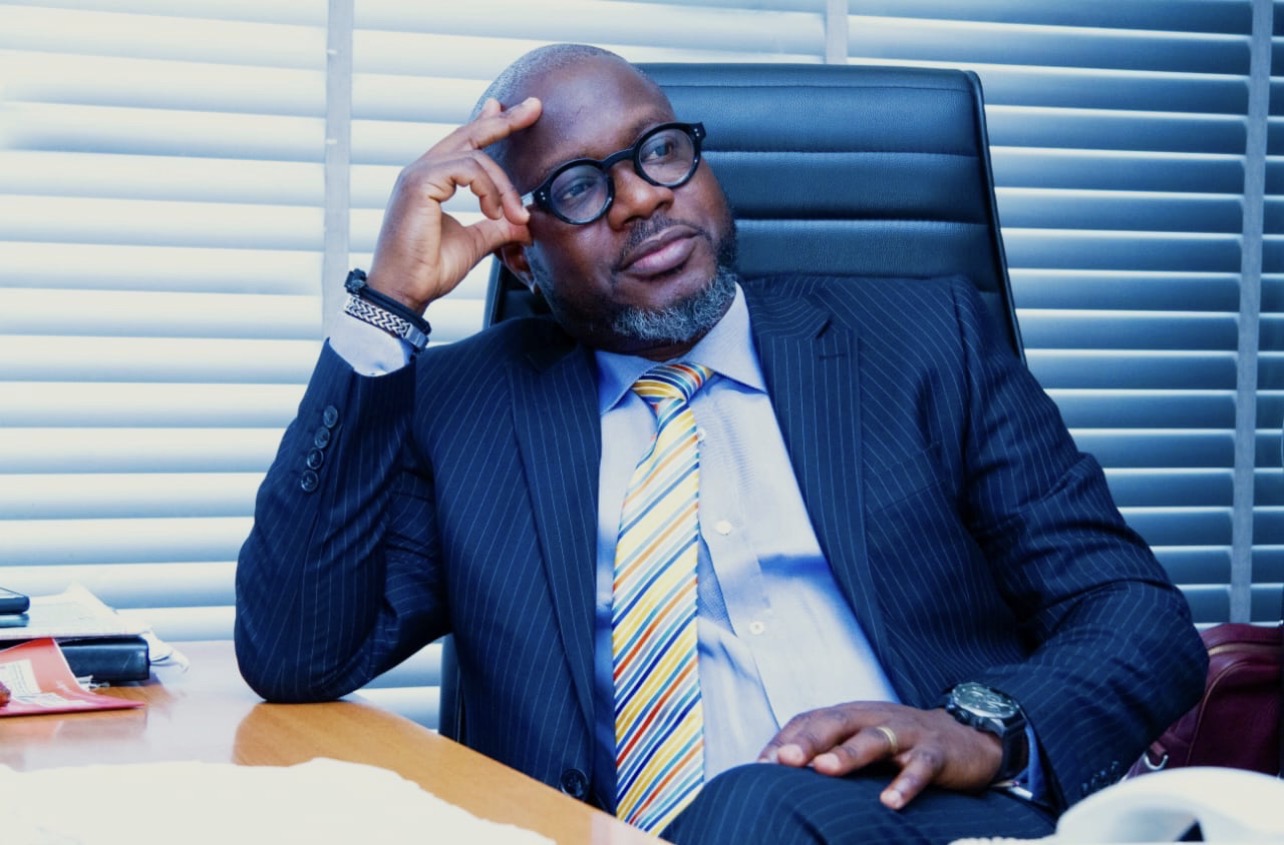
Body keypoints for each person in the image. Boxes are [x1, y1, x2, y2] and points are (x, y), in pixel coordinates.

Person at [235, 43, 1207, 843]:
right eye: (579, 187)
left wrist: (979, 727)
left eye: (659, 151)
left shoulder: (923, 342)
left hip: (931, 824)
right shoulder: (470, 411)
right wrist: (387, 306)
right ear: (521, 255)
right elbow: (294, 651)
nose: (640, 198)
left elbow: (1135, 615)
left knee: (756, 807)